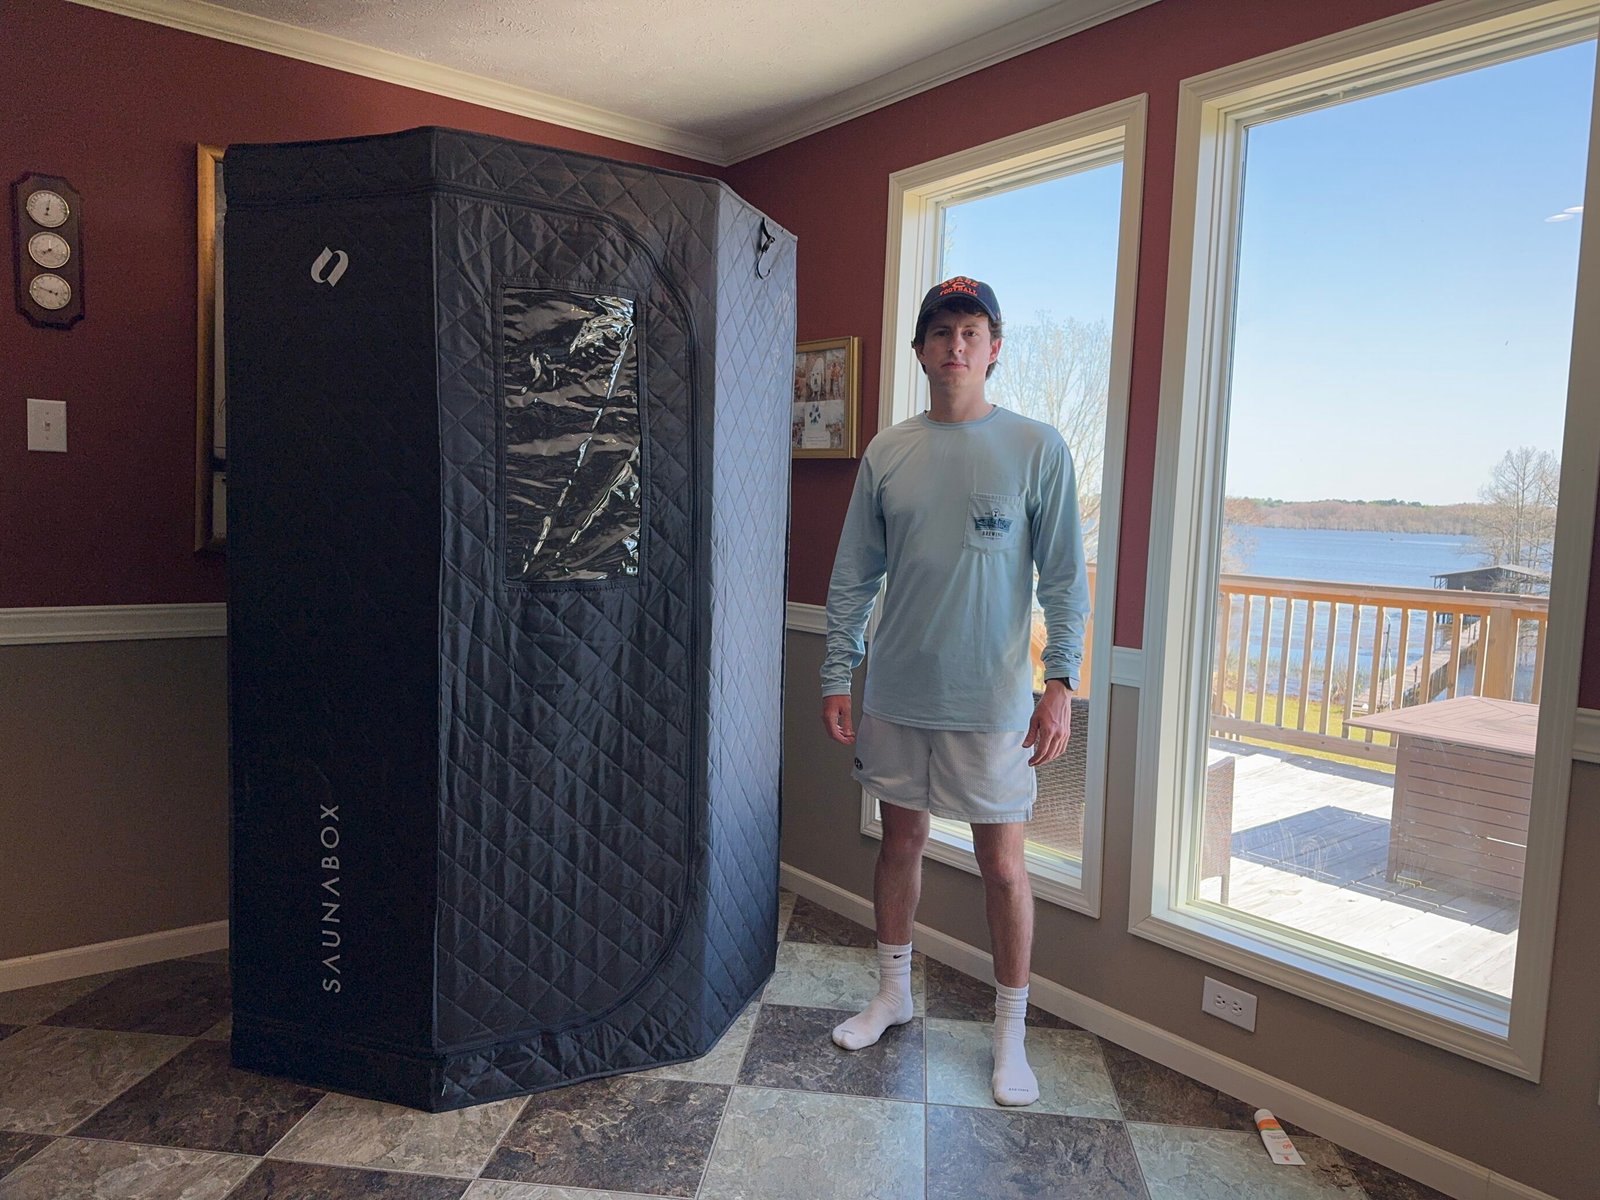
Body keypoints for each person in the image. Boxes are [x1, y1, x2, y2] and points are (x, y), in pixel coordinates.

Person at [820, 276, 1089, 1107]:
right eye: (941, 332)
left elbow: (1067, 582)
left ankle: (1011, 1033)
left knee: (1002, 865)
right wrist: (837, 670)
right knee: (898, 844)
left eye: (972, 331)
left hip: (995, 704)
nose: (957, 346)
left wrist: (1061, 685)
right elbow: (854, 575)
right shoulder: (888, 451)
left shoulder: (1036, 448)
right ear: (921, 351)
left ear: (995, 347)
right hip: (897, 692)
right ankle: (893, 996)